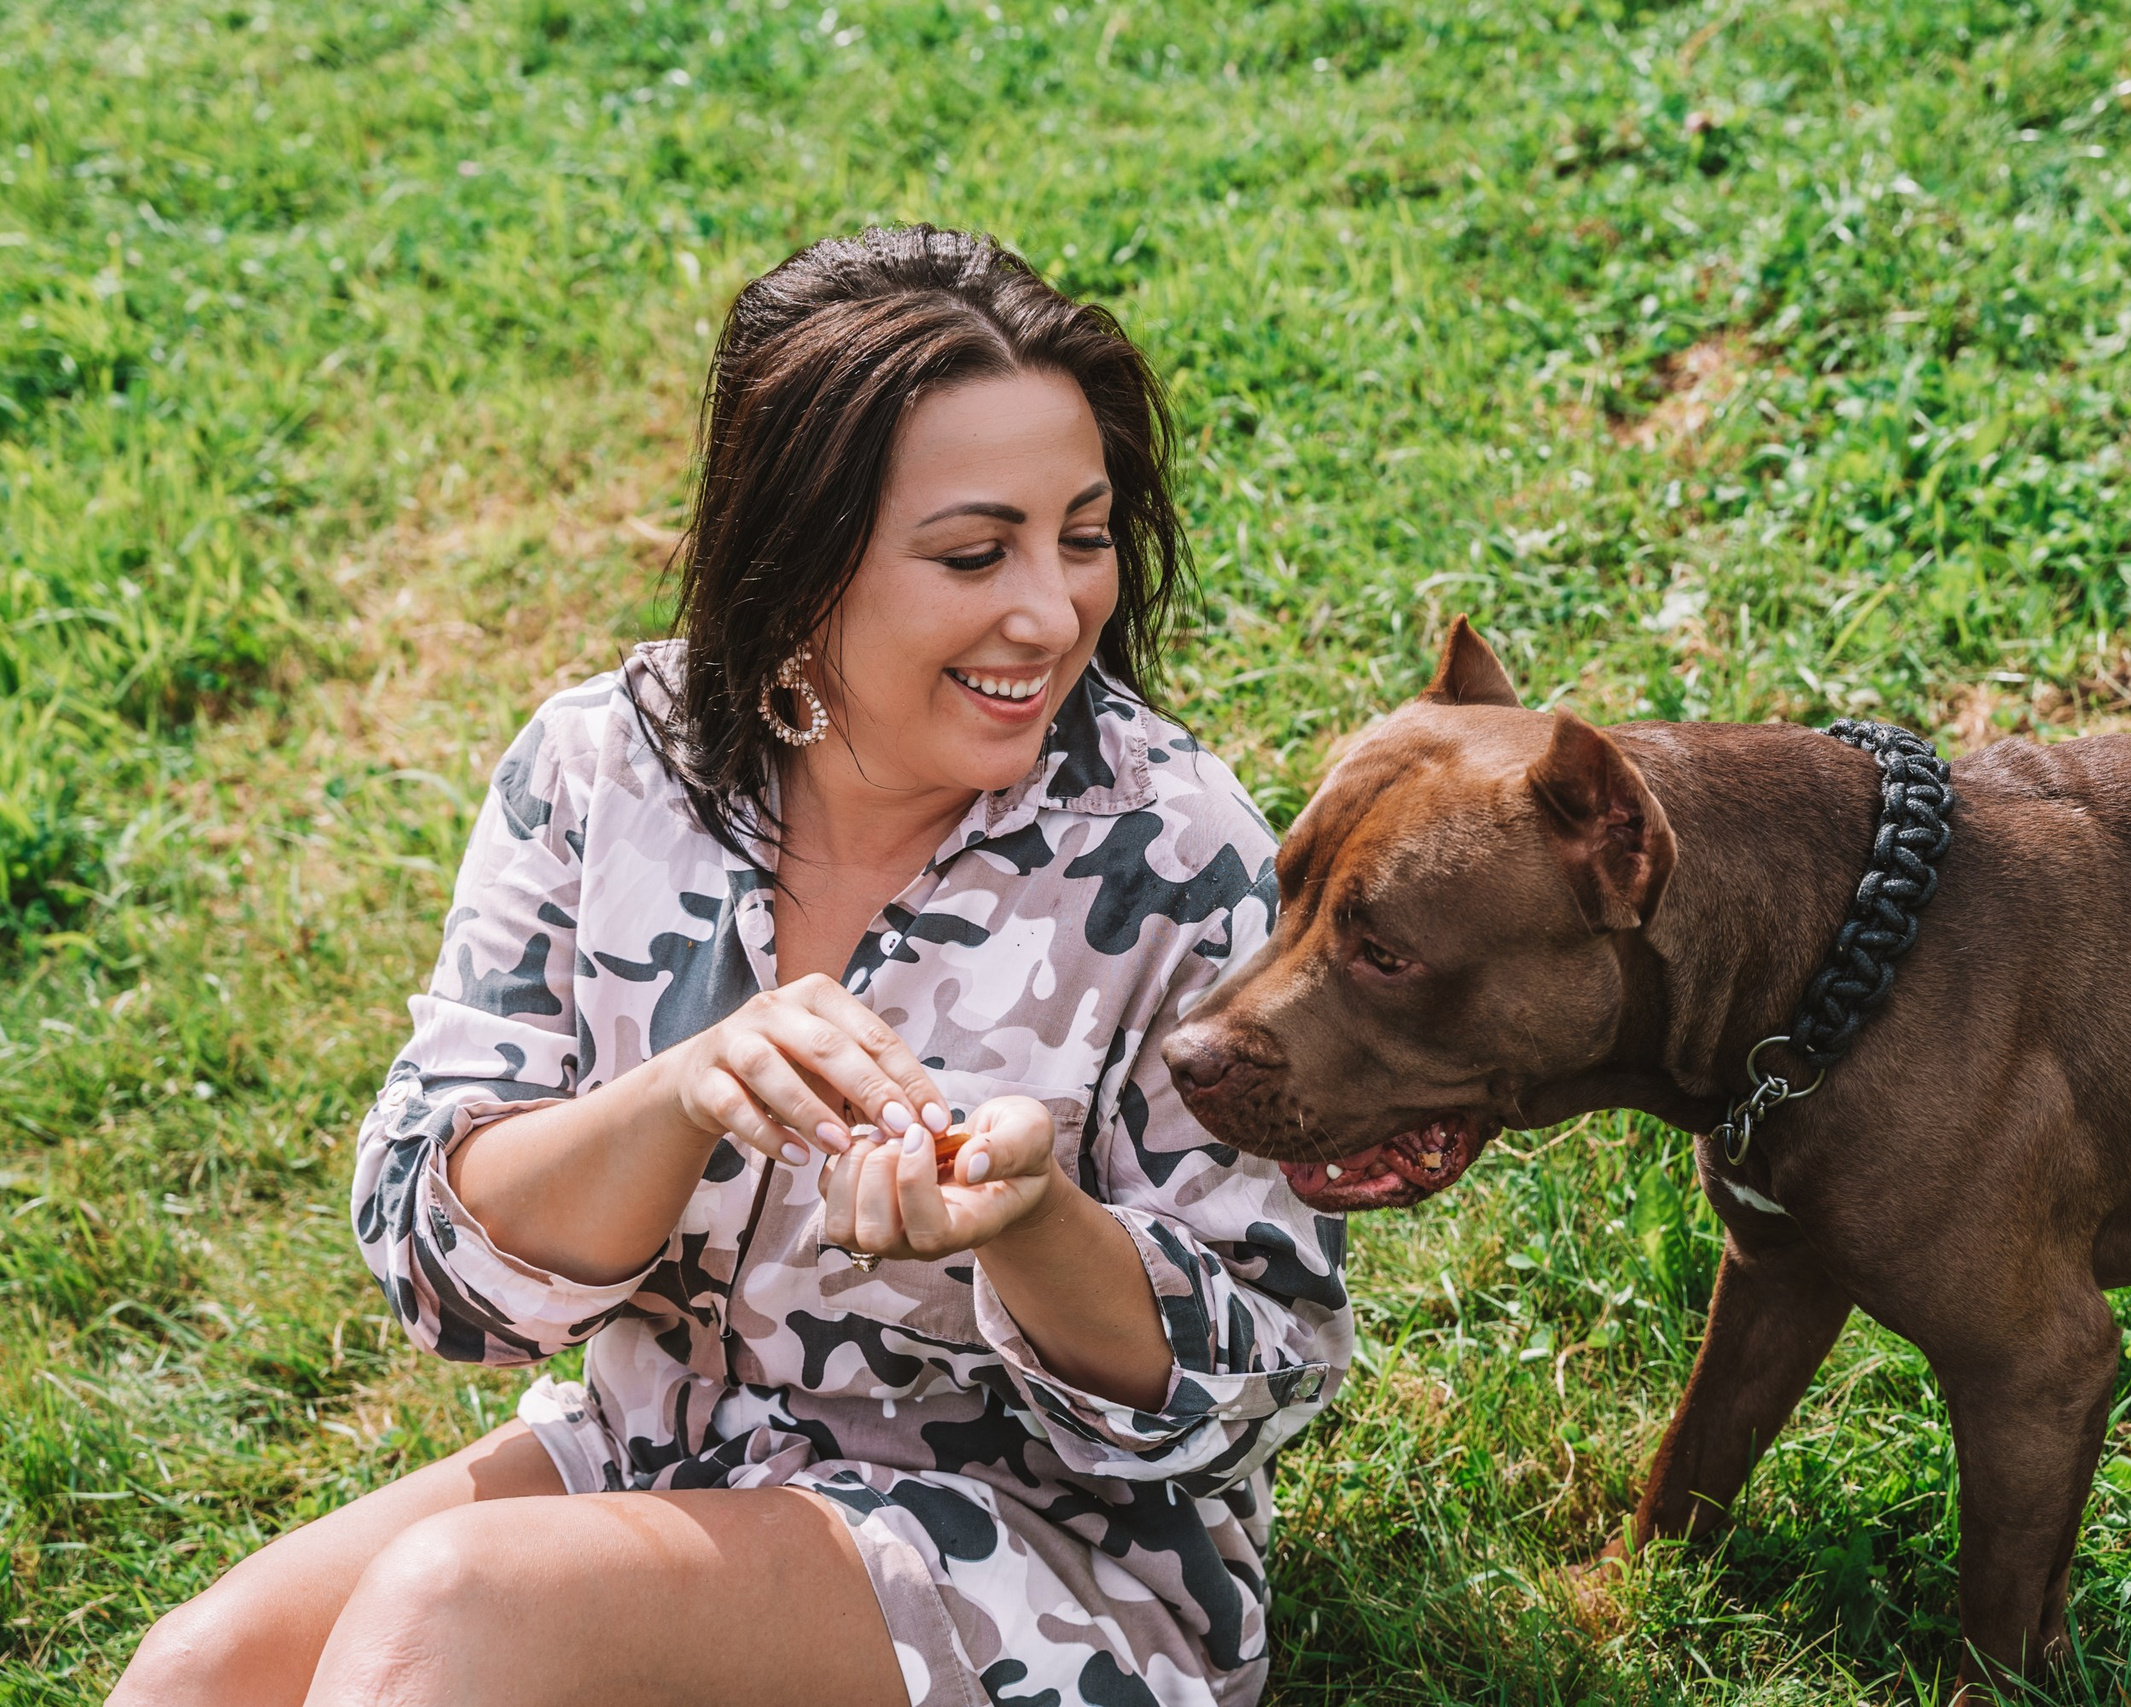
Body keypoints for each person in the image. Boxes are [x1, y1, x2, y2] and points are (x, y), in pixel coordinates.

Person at [111, 226, 1350, 1707]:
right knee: (198, 1677)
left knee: (459, 1607)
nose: (1051, 610)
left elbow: (1266, 1369)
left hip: (1040, 1552)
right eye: (975, 552)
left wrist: (1029, 1221)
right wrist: (675, 1097)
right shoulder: (599, 769)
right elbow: (436, 1266)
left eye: (1081, 536)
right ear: (803, 551)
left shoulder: (1173, 850)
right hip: (654, 1451)